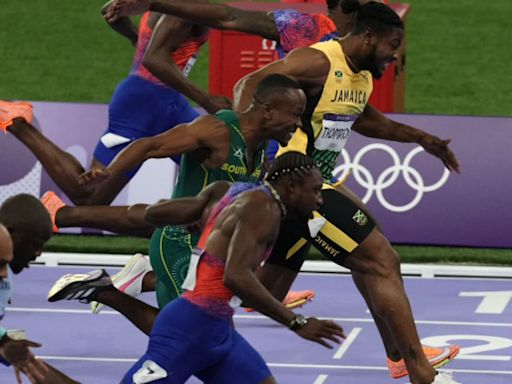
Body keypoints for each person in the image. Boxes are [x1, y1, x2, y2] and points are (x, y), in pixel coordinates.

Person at [106, 1, 462, 383]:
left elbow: (368, 120)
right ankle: (419, 371)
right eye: (394, 44)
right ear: (369, 35)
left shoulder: (361, 76)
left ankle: (144, 278)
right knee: (380, 259)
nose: (396, 55)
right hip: (296, 185)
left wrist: (423, 139)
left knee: (264, 287)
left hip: (316, 184)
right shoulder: (317, 58)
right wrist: (249, 150)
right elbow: (249, 83)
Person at [51, 152, 347, 384]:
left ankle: (104, 292)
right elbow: (237, 276)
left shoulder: (229, 190)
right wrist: (296, 322)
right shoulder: (265, 209)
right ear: (292, 187)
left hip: (218, 331)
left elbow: (157, 213)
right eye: (316, 191)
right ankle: (34, 366)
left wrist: (200, 223)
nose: (320, 200)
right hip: (189, 328)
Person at [70, 73, 307, 311]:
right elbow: (149, 145)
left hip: (210, 253)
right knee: (189, 330)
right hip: (180, 245)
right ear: (268, 111)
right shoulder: (217, 130)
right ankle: (106, 291)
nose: (299, 124)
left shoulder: (260, 147)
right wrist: (110, 172)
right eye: (296, 114)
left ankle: (113, 287)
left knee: (180, 331)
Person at [0, 0, 230, 208]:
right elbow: (155, 60)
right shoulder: (181, 10)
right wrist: (205, 99)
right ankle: (18, 123)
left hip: (170, 103)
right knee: (89, 196)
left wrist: (137, 38)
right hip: (142, 105)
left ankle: (189, 233)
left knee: (223, 165)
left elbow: (110, 10)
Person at [0, 194, 80, 384]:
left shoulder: (4, 279)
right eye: (35, 244)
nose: (38, 253)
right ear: (11, 233)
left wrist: (4, 341)